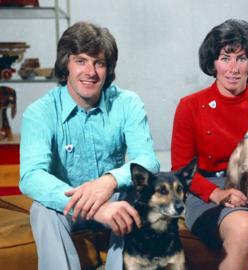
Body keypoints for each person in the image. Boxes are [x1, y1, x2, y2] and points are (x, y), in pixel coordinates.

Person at [19, 21, 159, 270]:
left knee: (138, 195)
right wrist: (95, 208)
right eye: (81, 61)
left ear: (108, 69)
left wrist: (108, 182)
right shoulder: (40, 112)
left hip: (114, 198)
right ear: (66, 64)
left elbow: (148, 161)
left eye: (99, 63)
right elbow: (31, 176)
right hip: (66, 206)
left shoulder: (127, 103)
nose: (90, 71)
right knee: (42, 210)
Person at [171, 19, 248, 270]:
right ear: (213, 64)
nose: (233, 68)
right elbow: (181, 168)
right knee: (244, 225)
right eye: (225, 58)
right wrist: (217, 194)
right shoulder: (190, 105)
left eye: (241, 58)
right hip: (207, 191)